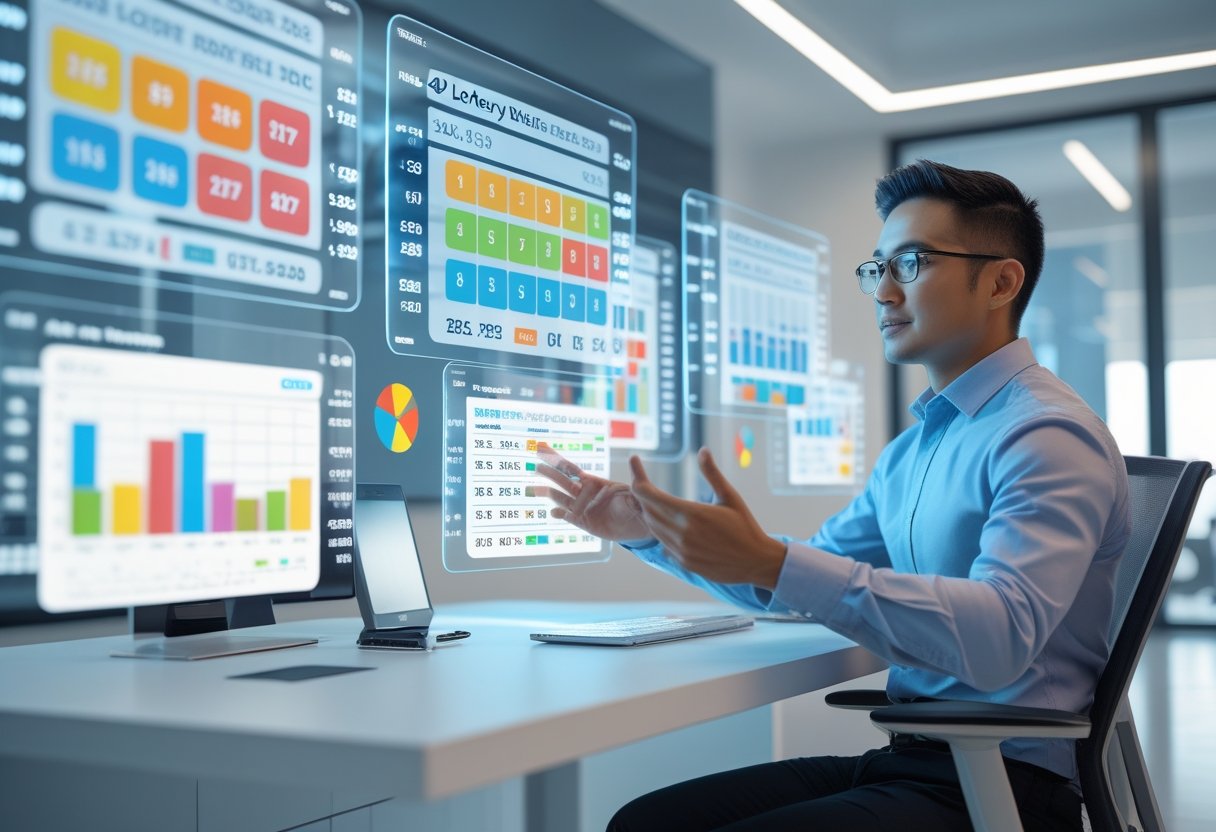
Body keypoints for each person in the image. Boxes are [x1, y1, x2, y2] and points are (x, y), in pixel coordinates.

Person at [535, 159, 1131, 832]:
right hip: (917, 757)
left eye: (911, 264)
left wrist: (772, 561)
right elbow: (796, 582)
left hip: (1006, 785)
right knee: (644, 823)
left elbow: (1000, 637)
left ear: (1001, 282)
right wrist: (651, 533)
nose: (884, 292)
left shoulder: (1046, 434)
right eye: (877, 268)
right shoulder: (913, 451)